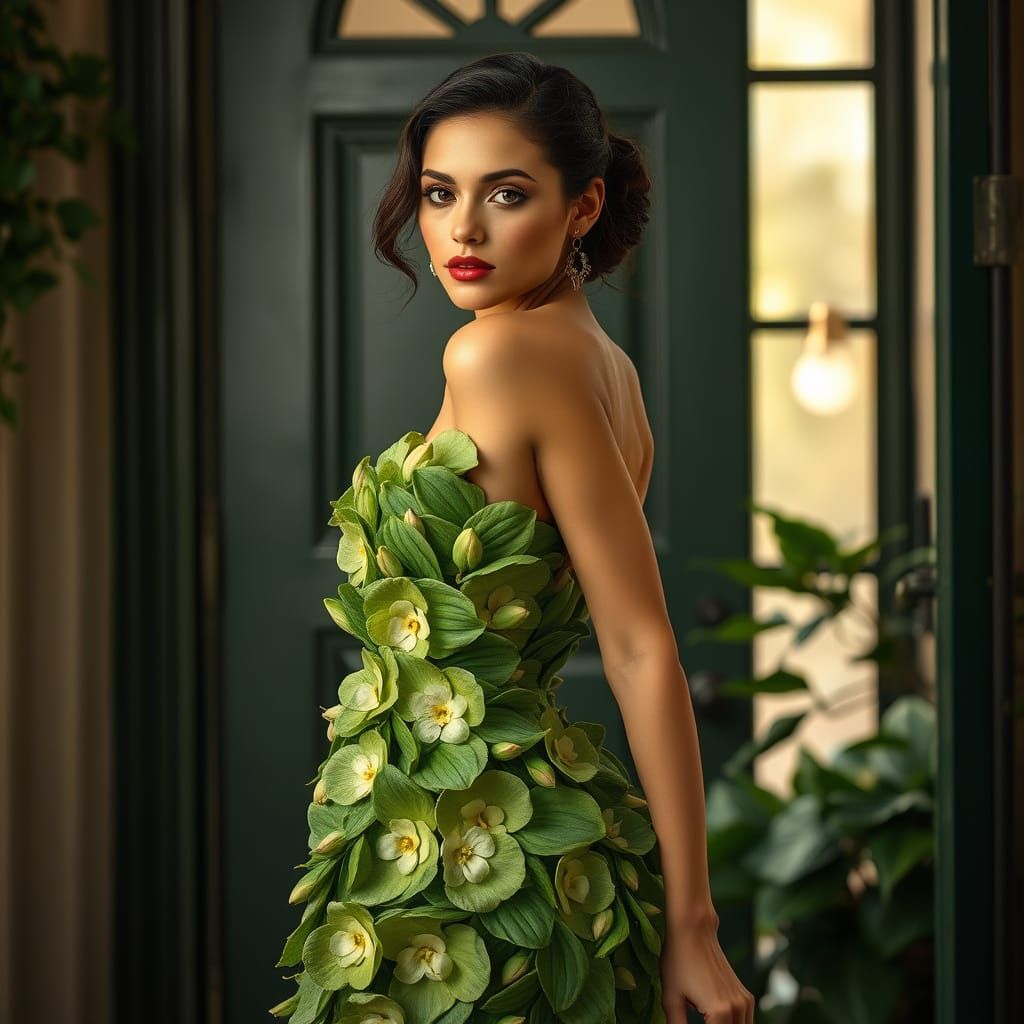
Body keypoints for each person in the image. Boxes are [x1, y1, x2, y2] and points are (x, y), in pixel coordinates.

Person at [273, 51, 754, 1024]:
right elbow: (623, 639)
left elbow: (637, 643)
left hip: (468, 860)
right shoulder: (601, 362)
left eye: (507, 193)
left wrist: (697, 926)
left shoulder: (496, 351)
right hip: (543, 834)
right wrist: (687, 916)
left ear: (583, 206)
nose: (461, 228)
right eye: (440, 191)